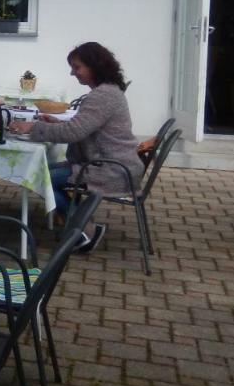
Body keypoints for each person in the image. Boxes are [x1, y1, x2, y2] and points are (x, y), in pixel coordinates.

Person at [12, 41, 143, 252]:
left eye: (77, 67)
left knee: (36, 176)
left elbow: (74, 133)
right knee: (40, 172)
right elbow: (82, 128)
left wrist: (33, 127)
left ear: (95, 66)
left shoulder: (103, 96)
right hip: (115, 164)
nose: (73, 73)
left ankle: (85, 229)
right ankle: (83, 226)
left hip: (111, 169)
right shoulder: (108, 91)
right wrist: (56, 124)